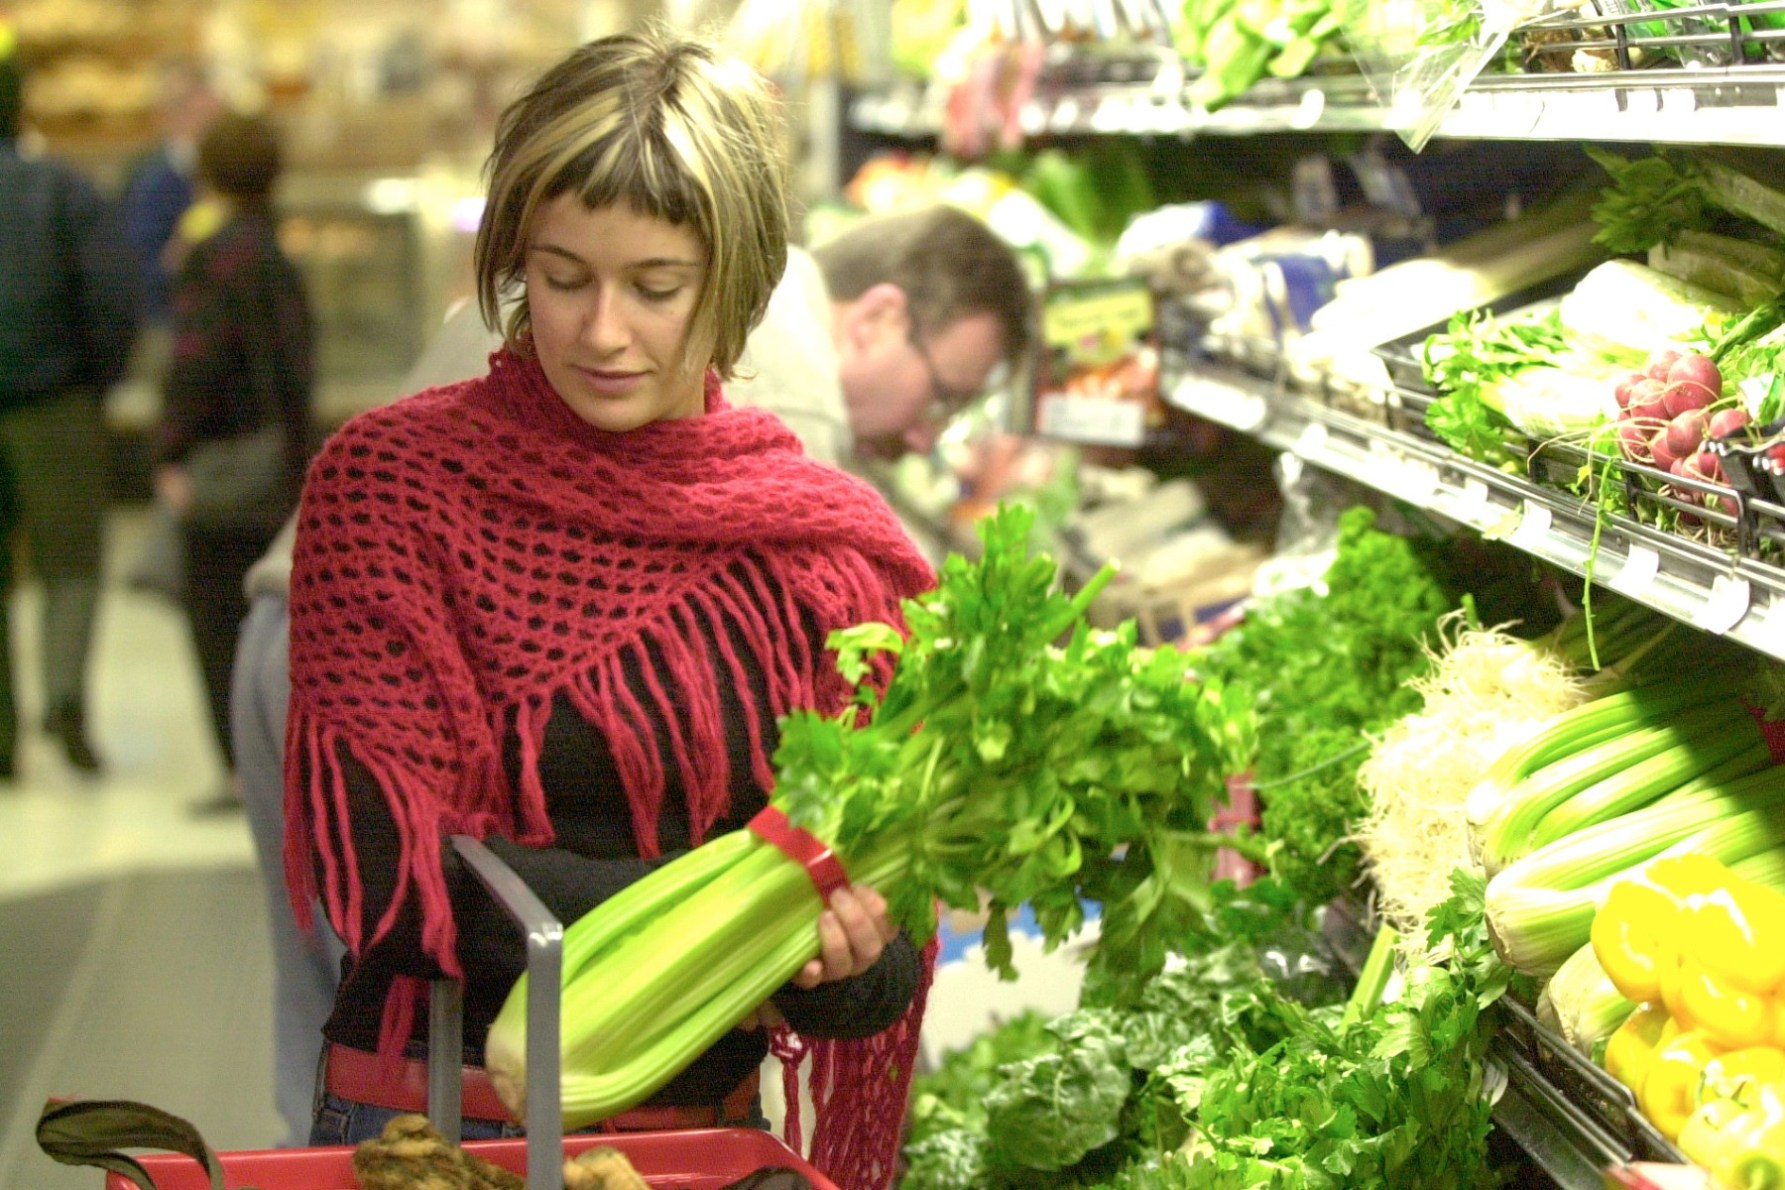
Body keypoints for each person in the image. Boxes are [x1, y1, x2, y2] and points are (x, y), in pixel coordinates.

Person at [282, 28, 938, 1189]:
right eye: (563, 275)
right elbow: (390, 873)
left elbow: (878, 954)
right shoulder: (394, 486)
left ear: (731, 282)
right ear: (511, 262)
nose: (600, 330)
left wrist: (836, 949)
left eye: (655, 286)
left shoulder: (819, 551)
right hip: (439, 1129)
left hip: (706, 1141)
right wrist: (773, 907)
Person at [156, 110, 312, 813]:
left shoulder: (211, 254)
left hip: (224, 468)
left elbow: (196, 362)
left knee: (217, 620)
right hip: (280, 463)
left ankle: (240, 770)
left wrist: (170, 451)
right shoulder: (279, 251)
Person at [0, 36, 142, 778]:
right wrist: (99, 383)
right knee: (71, 566)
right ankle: (64, 706)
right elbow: (112, 297)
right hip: (55, 404)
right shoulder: (61, 189)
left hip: (52, 393)